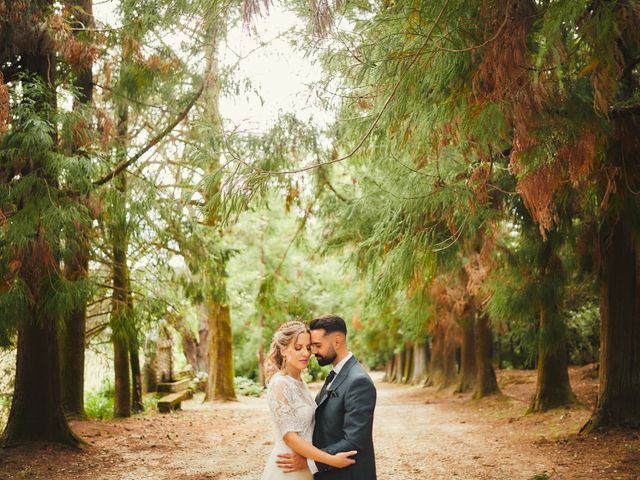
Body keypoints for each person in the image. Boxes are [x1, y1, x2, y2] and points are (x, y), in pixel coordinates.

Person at [277, 314, 377, 480]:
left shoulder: (358, 381)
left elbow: (354, 441)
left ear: (337, 342)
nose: (312, 352)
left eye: (316, 345)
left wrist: (310, 463)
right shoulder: (338, 374)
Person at [261, 320, 358, 480]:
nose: (306, 353)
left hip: (305, 466)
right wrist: (332, 460)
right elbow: (290, 437)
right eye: (298, 348)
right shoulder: (280, 383)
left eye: (308, 347)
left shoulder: (300, 382)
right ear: (284, 350)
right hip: (288, 468)